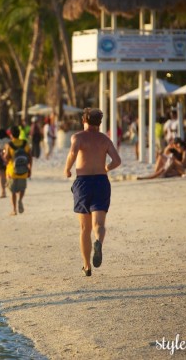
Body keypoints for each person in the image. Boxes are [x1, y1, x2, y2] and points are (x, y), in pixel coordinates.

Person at [63, 108, 121, 277]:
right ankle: (99, 242)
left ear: (84, 121)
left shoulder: (78, 137)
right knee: (99, 225)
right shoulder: (105, 139)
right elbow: (117, 161)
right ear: (99, 123)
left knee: (84, 228)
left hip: (83, 183)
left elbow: (73, 153)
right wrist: (106, 167)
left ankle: (87, 266)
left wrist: (67, 169)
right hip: (101, 182)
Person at [4, 125, 32, 215]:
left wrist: (3, 155)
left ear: (11, 135)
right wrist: (30, 168)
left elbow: (7, 158)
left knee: (12, 191)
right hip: (23, 170)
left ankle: (14, 209)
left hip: (12, 171)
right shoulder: (25, 143)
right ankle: (20, 199)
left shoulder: (9, 145)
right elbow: (30, 157)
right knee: (22, 188)